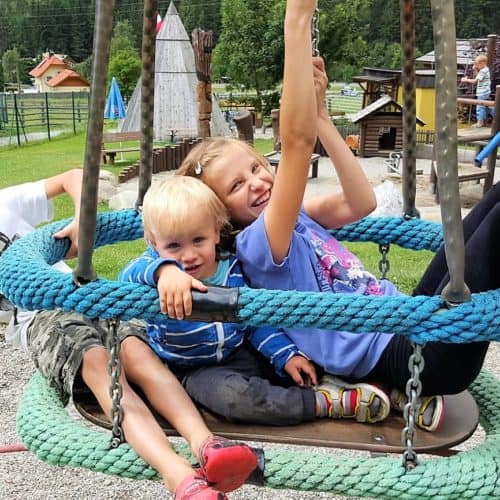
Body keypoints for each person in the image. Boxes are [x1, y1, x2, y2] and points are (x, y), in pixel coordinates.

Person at [175, 0, 497, 433]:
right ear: (222, 218)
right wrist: (297, 21)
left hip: (404, 316)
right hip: (413, 353)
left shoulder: (292, 218)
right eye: (236, 186)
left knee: (494, 200)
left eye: (255, 168)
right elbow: (295, 142)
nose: (255, 182)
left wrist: (324, 118)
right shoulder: (261, 244)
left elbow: (358, 202)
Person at [0, 170, 260, 500]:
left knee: (138, 352)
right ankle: (179, 476)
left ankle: (207, 445)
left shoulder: (5, 203)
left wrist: (84, 216)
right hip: (40, 315)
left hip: (84, 291)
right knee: (98, 363)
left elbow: (76, 175)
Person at [118, 174, 390, 428]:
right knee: (235, 398)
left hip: (240, 351)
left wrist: (286, 355)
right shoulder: (155, 269)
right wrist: (163, 271)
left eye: (198, 240)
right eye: (174, 246)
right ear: (155, 244)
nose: (188, 256)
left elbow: (254, 322)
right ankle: (323, 402)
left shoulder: (232, 270)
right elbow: (126, 278)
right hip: (194, 367)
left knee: (299, 356)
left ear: (215, 232)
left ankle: (361, 386)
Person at [461, 54, 495, 127]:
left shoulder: (483, 71)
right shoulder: (485, 69)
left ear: (482, 63)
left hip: (482, 92)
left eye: (477, 64)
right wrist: (476, 69)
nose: (476, 66)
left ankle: (480, 123)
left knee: (480, 107)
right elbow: (478, 76)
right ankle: (496, 114)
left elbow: (475, 81)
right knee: (487, 106)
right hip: (485, 91)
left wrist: (466, 80)